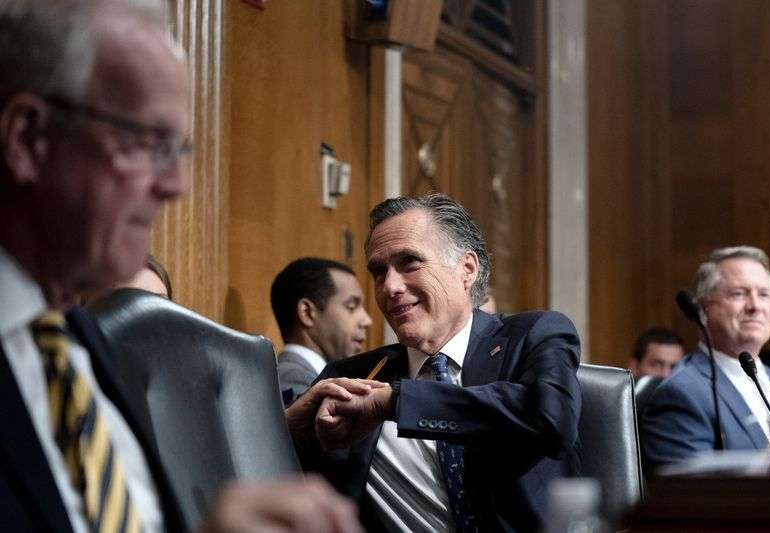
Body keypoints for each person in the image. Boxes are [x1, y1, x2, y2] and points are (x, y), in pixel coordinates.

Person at [0, 2, 362, 532]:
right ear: (28, 138)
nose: (176, 185)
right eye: (147, 142)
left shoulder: (76, 346)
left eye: (179, 149)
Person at [302, 194, 582, 532]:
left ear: (467, 268)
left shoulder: (532, 335)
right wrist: (292, 425)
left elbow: (552, 418)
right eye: (379, 271)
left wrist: (395, 403)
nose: (390, 286)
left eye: (409, 262)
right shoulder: (351, 378)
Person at [641, 246, 770, 471]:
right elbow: (689, 499)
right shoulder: (682, 393)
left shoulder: (769, 376)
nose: (755, 306)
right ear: (702, 308)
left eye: (763, 294)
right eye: (739, 294)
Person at [271, 257, 373, 403]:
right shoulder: (294, 379)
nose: (367, 321)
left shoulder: (311, 376)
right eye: (351, 306)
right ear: (307, 313)